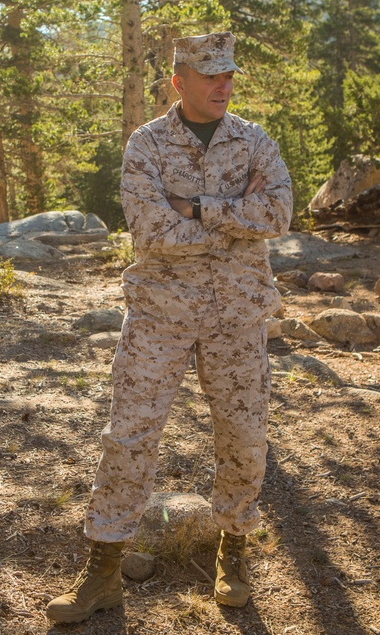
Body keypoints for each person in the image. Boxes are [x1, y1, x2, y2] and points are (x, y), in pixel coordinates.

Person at [47, 32, 292, 623]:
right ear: (178, 81)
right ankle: (104, 567)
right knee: (129, 436)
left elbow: (279, 214)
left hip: (236, 315)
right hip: (160, 312)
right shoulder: (146, 144)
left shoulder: (254, 141)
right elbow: (152, 230)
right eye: (210, 76)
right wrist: (235, 214)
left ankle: (233, 550)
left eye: (229, 75)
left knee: (242, 434)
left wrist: (199, 206)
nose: (223, 86)